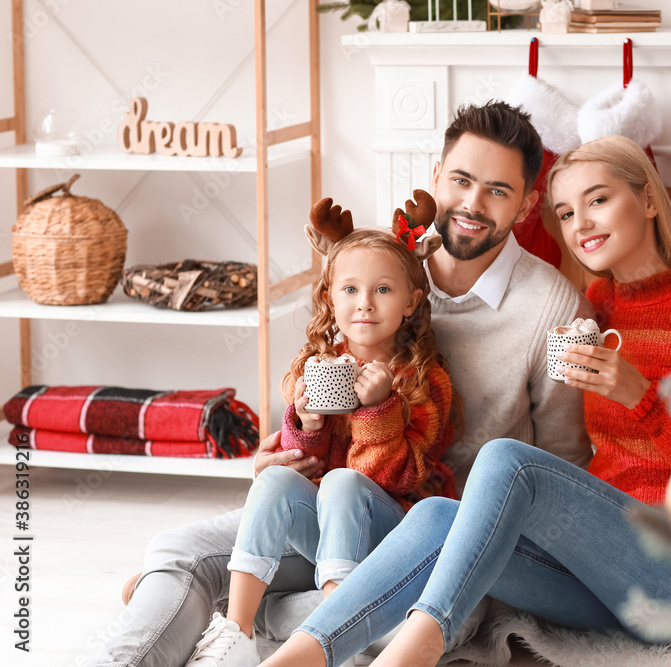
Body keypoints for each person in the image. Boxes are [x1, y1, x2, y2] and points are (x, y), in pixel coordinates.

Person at [88, 100, 592, 667]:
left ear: (526, 205)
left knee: (435, 620)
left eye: (497, 191)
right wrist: (282, 449)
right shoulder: (379, 267)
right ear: (436, 177)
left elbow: (561, 463)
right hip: (332, 509)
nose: (472, 204)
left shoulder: (552, 307)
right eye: (461, 180)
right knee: (178, 551)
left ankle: (240, 615)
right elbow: (318, 378)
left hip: (439, 546)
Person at [254, 135, 671, 667]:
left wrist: (642, 399)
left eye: (598, 200)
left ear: (651, 201)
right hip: (597, 582)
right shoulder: (598, 306)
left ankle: (422, 641)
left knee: (504, 457)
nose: (581, 225)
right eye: (566, 212)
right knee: (434, 515)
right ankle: (302, 656)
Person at [183, 223, 461, 666]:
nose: (364, 302)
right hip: (328, 536)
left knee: (343, 484)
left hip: (393, 539)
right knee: (275, 478)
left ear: (410, 301)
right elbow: (303, 470)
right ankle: (236, 632)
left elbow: (403, 478)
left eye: (383, 289)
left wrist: (379, 410)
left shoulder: (424, 380)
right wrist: (306, 424)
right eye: (349, 288)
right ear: (331, 296)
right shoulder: (317, 369)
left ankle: (335, 634)